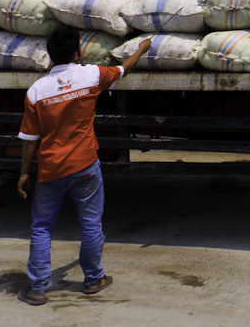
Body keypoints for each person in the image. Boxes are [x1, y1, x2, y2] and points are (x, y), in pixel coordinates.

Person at [16, 27, 152, 305]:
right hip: (86, 165)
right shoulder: (91, 75)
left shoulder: (36, 91)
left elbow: (30, 139)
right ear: (77, 53)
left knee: (42, 227)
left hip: (51, 170)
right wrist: (141, 49)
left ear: (51, 55)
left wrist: (23, 173)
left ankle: (39, 288)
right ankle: (93, 279)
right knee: (91, 224)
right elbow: (124, 69)